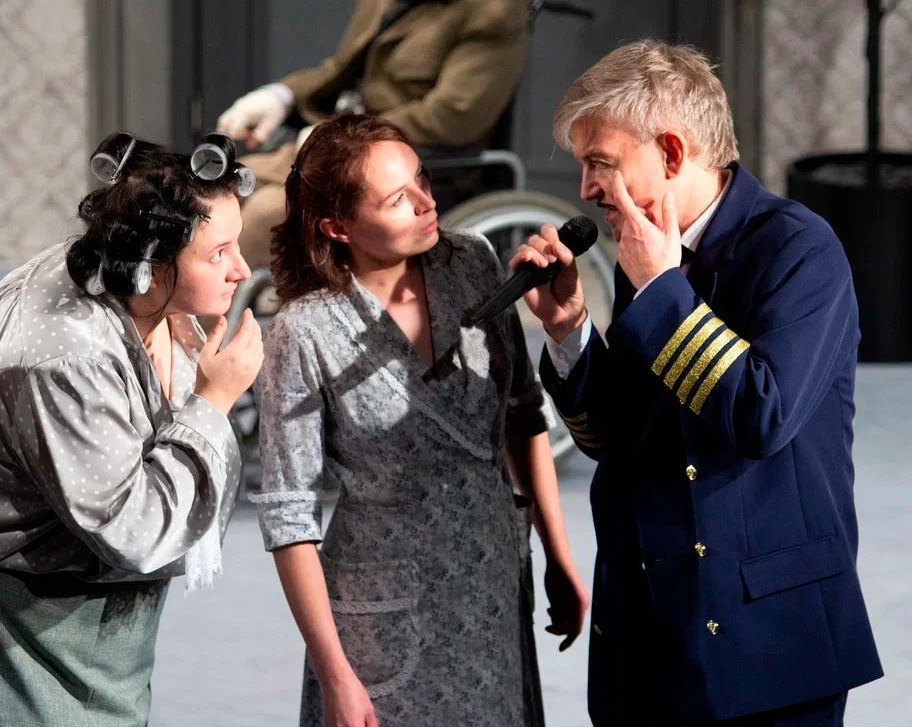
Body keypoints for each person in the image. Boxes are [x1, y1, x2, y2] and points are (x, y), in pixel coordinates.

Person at [512, 41, 884, 726]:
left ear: (672, 153)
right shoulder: (647, 254)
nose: (587, 189)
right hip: (651, 640)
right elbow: (619, 438)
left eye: (601, 163)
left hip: (767, 647)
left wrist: (661, 287)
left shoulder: (800, 249)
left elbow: (762, 416)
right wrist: (569, 330)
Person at [0, 133, 263, 726]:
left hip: (88, 627)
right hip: (8, 637)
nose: (241, 269)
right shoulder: (67, 355)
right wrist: (213, 401)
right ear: (151, 263)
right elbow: (134, 530)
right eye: (218, 253)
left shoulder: (127, 279)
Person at [253, 114, 587, 727]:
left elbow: (522, 413)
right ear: (337, 226)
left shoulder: (474, 262)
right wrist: (335, 674)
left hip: (491, 579)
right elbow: (289, 516)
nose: (426, 203)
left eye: (423, 180)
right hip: (380, 608)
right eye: (396, 199)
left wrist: (558, 558)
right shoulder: (303, 331)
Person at [216, 0, 530, 268]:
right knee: (220, 188)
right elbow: (341, 67)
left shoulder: (493, 12)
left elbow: (453, 115)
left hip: (417, 165)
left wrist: (347, 136)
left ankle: (218, 319)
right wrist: (282, 95)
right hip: (342, 145)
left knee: (265, 213)